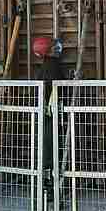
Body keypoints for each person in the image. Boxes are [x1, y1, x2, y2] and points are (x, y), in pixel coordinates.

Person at [33, 36, 66, 188]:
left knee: (46, 147)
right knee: (53, 147)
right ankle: (52, 184)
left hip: (45, 114)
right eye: (54, 47)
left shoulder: (43, 68)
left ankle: (47, 181)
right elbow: (61, 88)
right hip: (52, 115)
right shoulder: (54, 67)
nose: (57, 48)